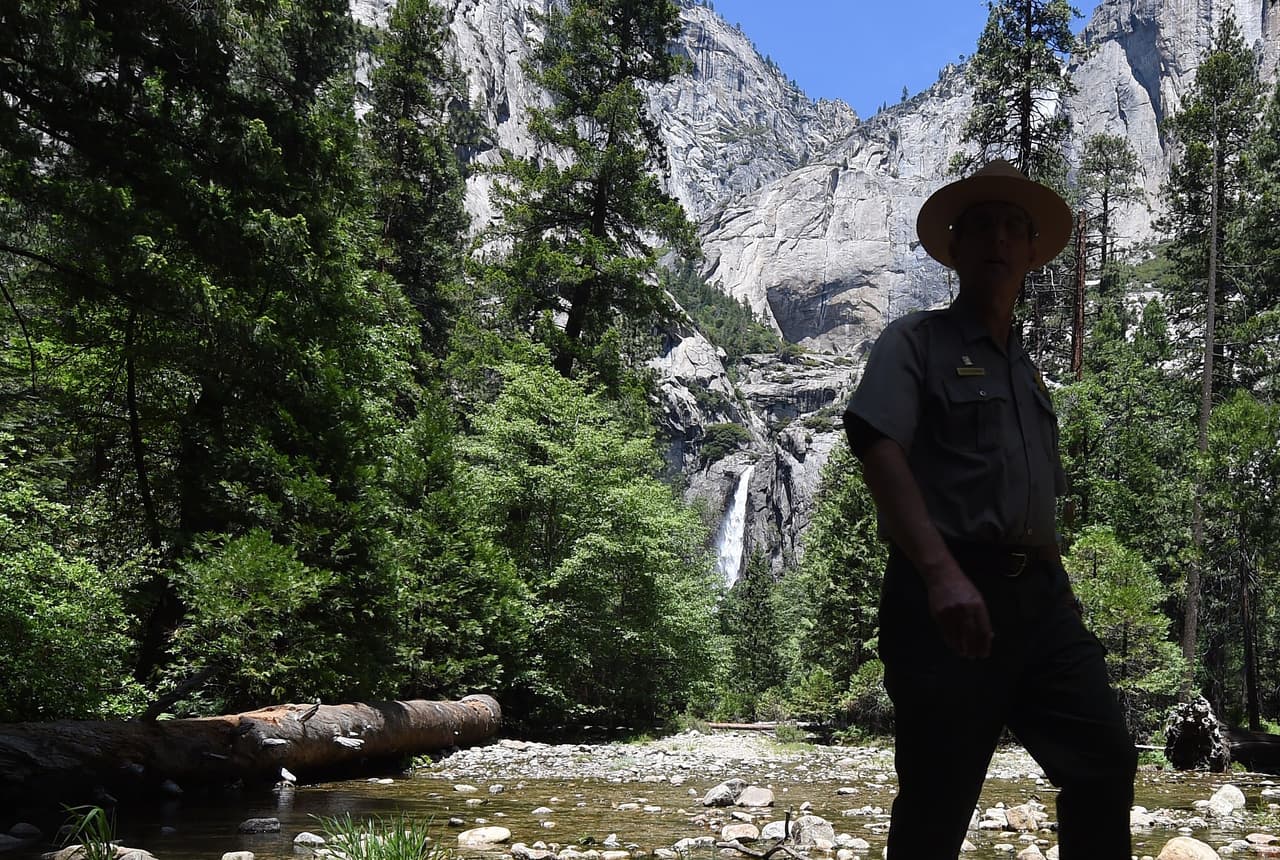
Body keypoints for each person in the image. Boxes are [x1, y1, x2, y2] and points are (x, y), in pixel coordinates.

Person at [842, 159, 1137, 858]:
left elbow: (1034, 499)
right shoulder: (915, 341)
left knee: (1104, 762)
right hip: (944, 600)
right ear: (956, 249)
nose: (998, 241)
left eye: (1013, 228)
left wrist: (1061, 596)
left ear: (1033, 253)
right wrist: (941, 574)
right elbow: (878, 444)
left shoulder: (1027, 372)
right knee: (937, 803)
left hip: (1041, 604)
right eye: (981, 228)